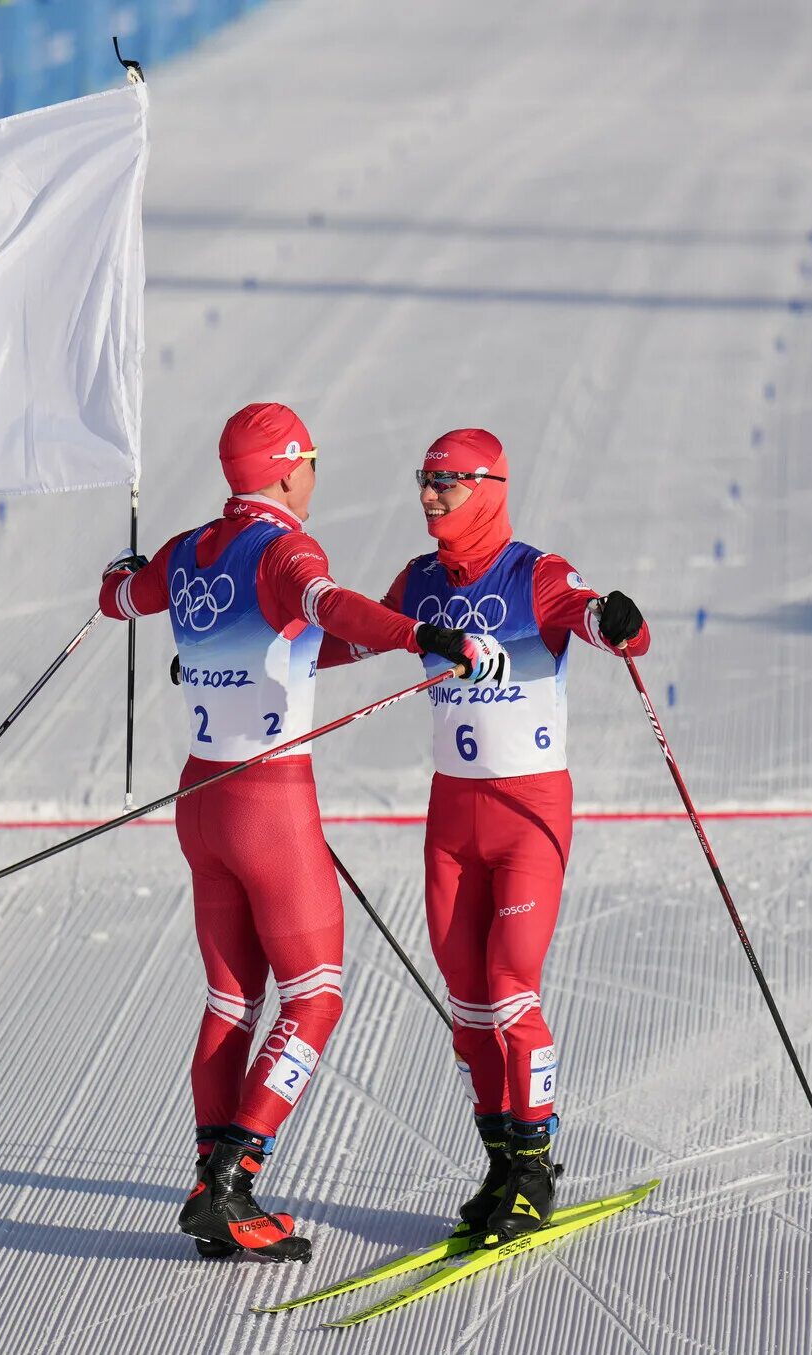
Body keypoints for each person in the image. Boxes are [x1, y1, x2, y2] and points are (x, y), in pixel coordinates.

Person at [97, 403, 501, 1262]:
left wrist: (128, 571)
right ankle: (233, 1179)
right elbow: (331, 606)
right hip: (267, 803)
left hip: (200, 796)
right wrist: (421, 633)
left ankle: (216, 1187)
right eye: (311, 459)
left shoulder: (186, 549)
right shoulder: (286, 549)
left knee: (230, 1002)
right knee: (314, 997)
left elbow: (117, 598)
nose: (317, 473)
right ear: (284, 470)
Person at [318, 427, 650, 1243]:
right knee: (467, 1004)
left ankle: (538, 1166)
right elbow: (345, 640)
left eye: (448, 483)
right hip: (451, 819)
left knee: (510, 986)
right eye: (424, 481)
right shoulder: (420, 581)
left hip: (528, 813)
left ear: (490, 485)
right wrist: (258, 659)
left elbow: (604, 623)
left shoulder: (533, 571)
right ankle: (501, 1162)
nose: (430, 495)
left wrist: (618, 620)